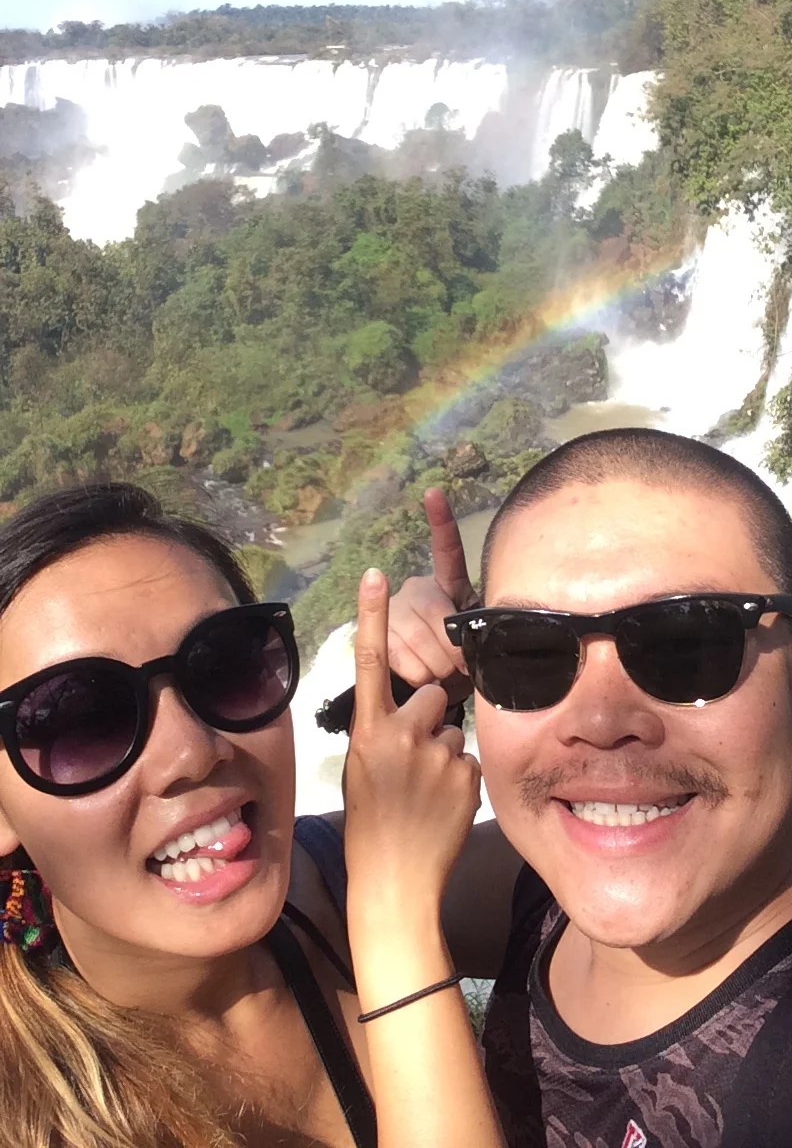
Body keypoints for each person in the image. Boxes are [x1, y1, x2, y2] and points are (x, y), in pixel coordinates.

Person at [385, 427, 792, 1148]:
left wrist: (395, 915)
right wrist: (396, 705)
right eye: (526, 653)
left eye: (687, 646)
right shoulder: (533, 885)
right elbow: (275, 889)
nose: (599, 720)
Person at [0, 481, 504, 1148]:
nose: (191, 752)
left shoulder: (325, 883)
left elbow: (635, 876)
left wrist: (519, 670)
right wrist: (395, 913)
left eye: (225, 663)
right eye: (79, 718)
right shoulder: (31, 1113)